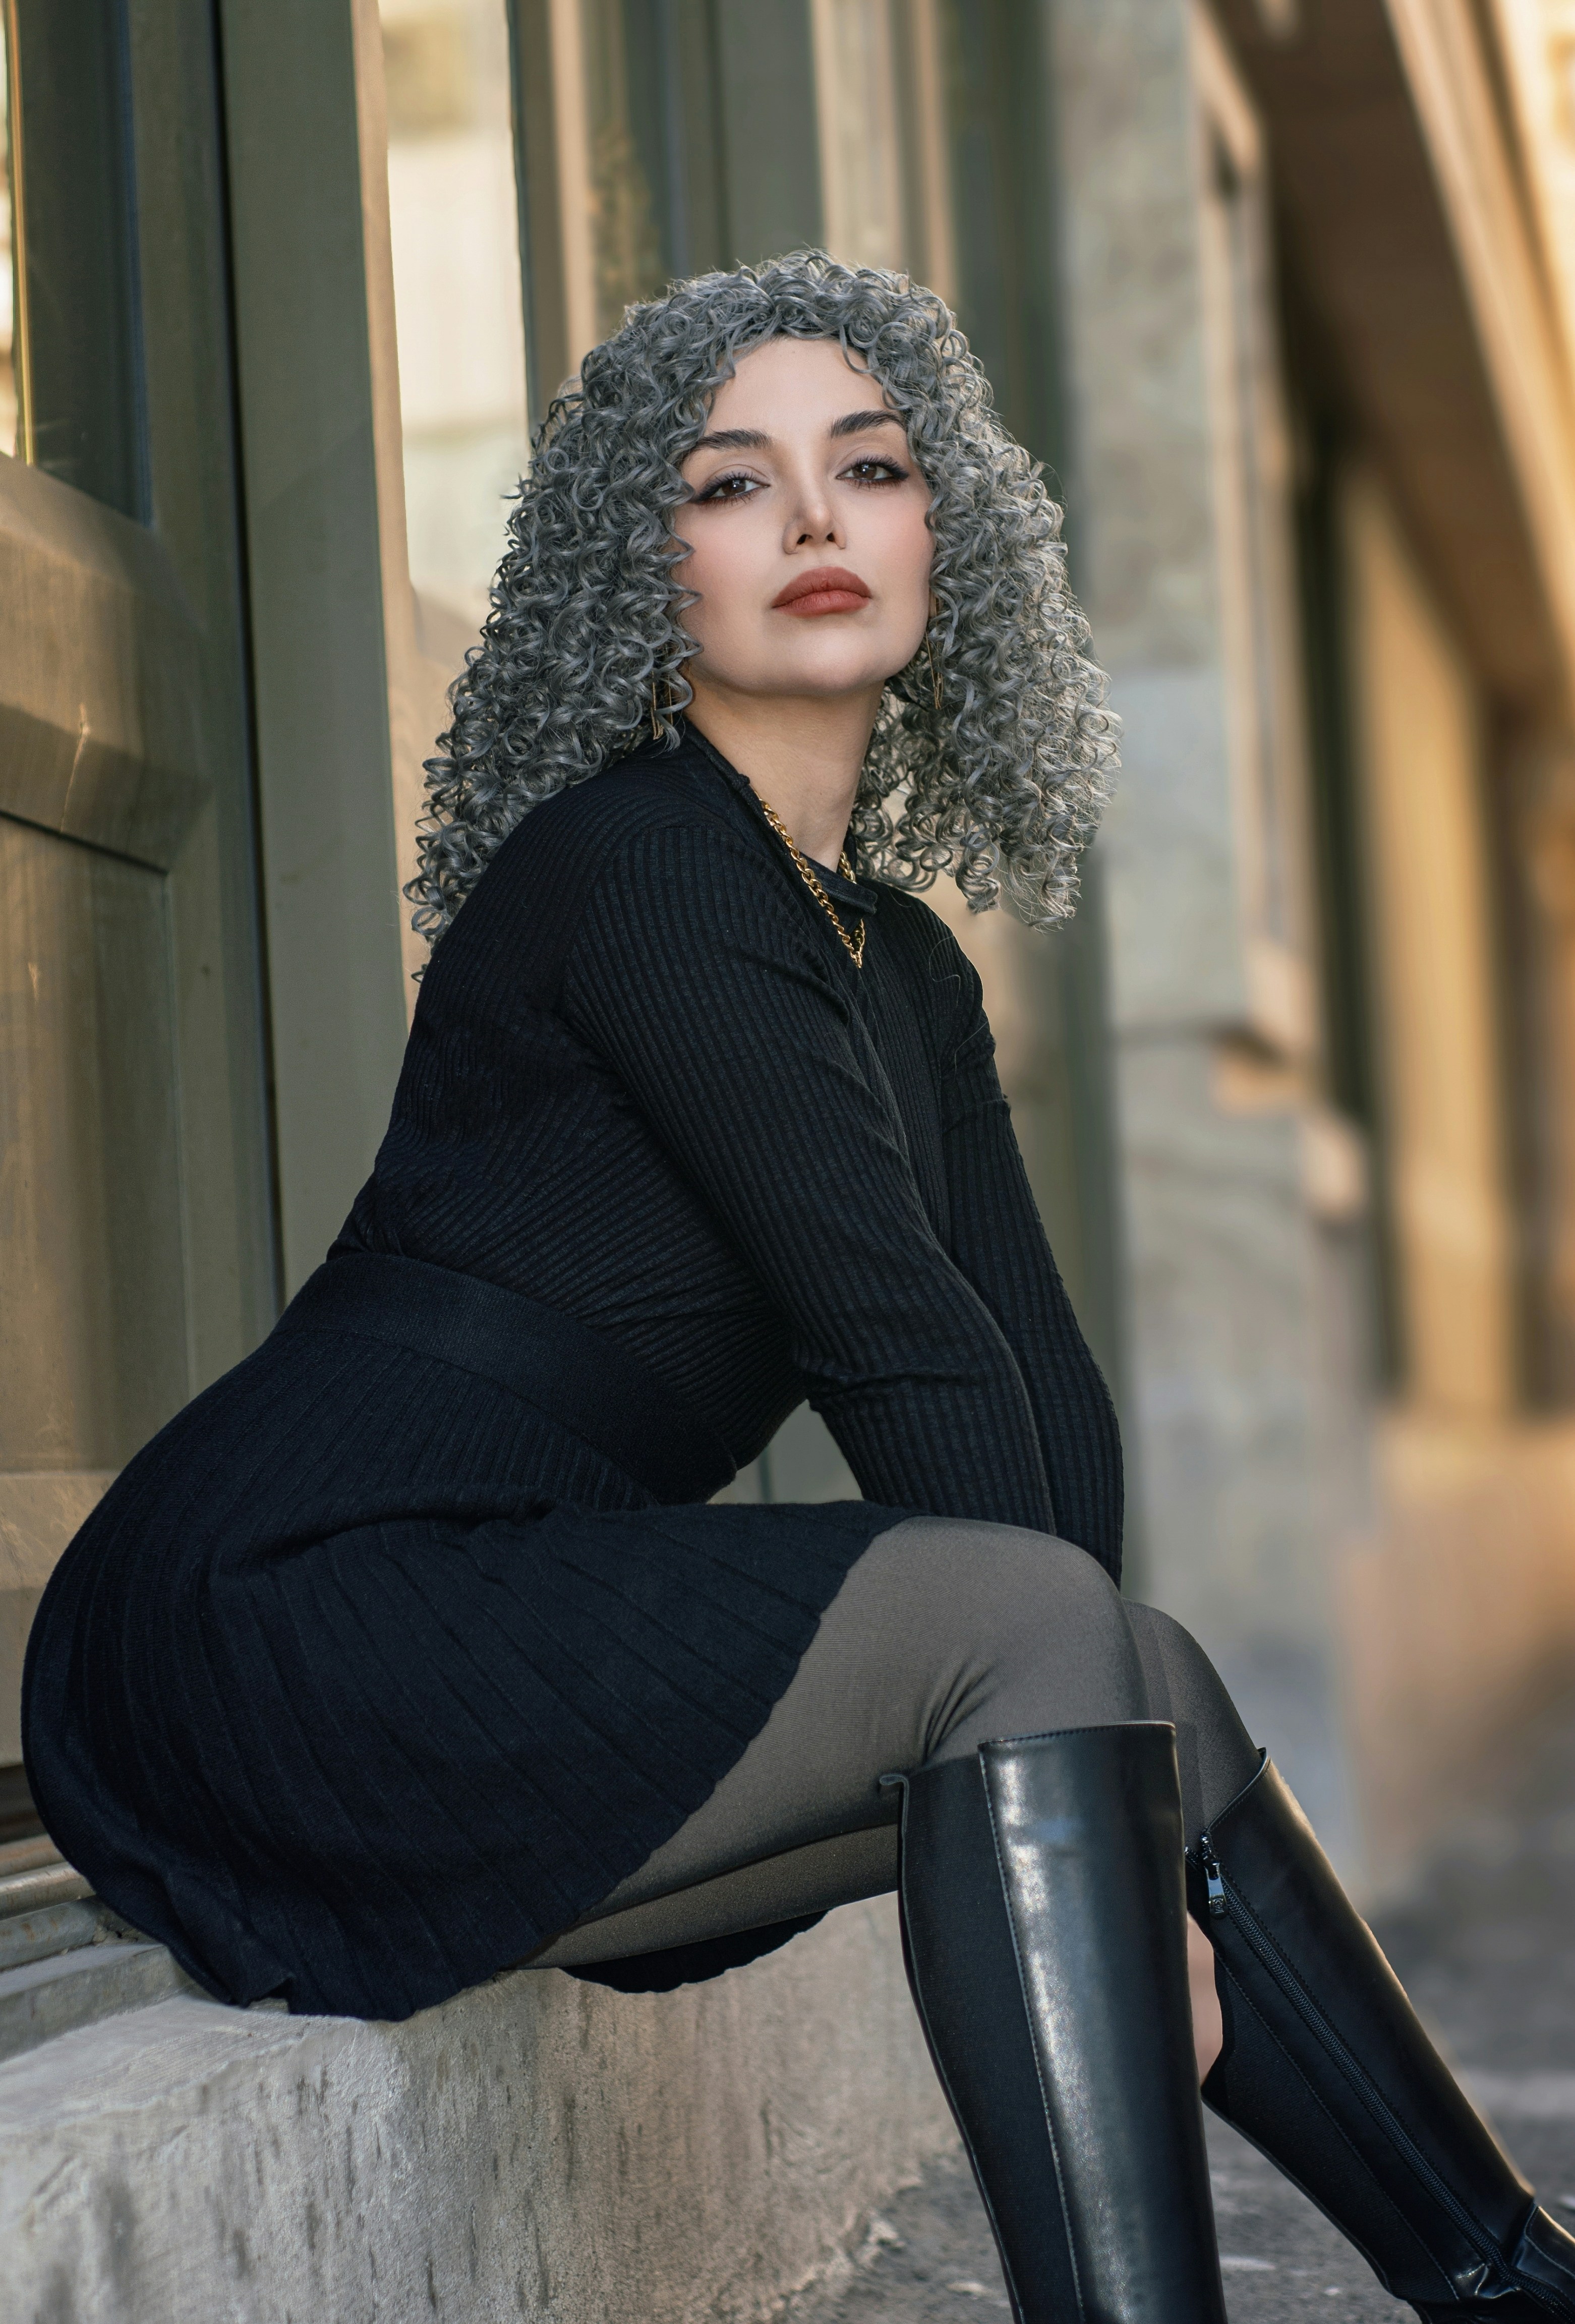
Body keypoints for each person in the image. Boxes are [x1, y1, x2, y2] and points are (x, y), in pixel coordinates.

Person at [22, 253, 1575, 2323]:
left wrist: (1119, 1781)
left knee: (1150, 1675)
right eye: (734, 486)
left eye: (867, 465)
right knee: (1042, 1632)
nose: (819, 520)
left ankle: (1500, 2279)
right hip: (281, 1619)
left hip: (482, 1611)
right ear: (638, 572)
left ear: (954, 530)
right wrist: (1124, 1844)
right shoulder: (640, 863)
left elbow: (1033, 1378)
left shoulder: (892, 959)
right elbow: (901, 1348)